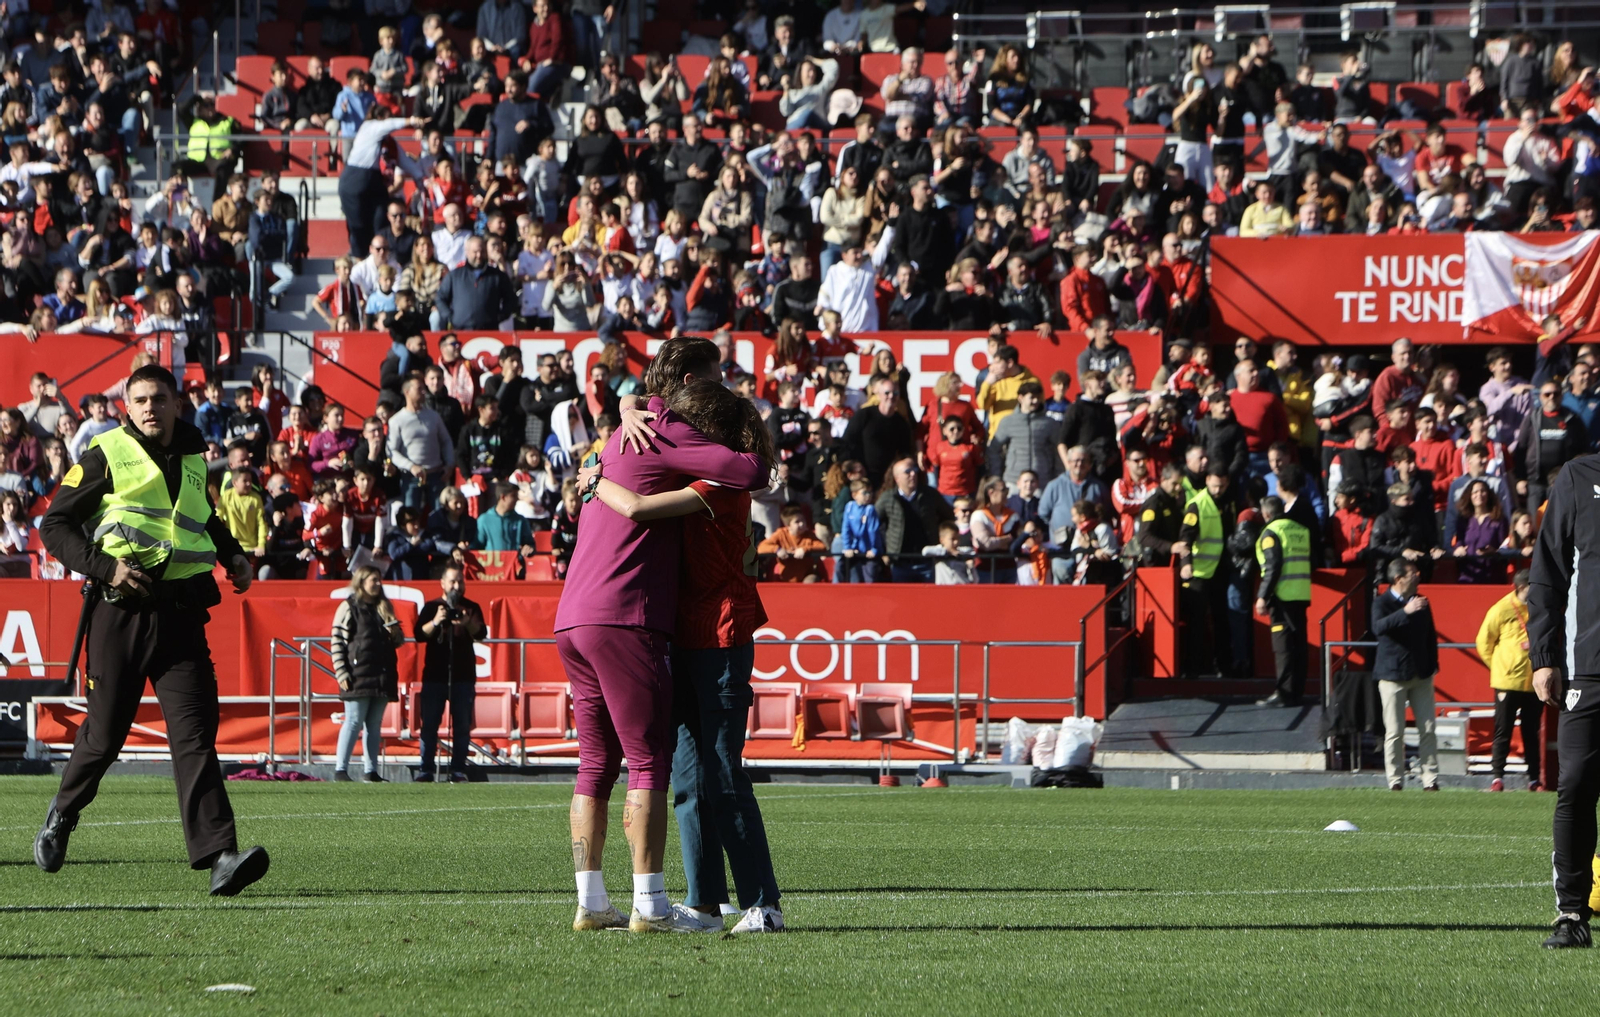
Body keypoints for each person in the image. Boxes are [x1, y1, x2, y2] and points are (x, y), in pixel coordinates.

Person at [554, 336, 769, 933]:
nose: (721, 388)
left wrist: (624, 412)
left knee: (594, 763)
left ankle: (591, 903)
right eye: (715, 377)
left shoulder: (626, 431)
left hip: (572, 613)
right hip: (626, 615)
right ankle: (650, 904)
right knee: (651, 762)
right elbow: (755, 469)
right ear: (688, 380)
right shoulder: (674, 430)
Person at [32, 364, 268, 896]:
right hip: (120, 613)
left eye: (158, 398)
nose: (148, 408)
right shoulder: (104, 454)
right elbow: (54, 525)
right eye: (138, 400)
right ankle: (62, 814)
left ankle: (220, 857)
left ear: (175, 402)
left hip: (182, 616)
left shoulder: (192, 455)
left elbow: (200, 516)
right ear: (126, 407)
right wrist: (105, 567)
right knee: (104, 736)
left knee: (195, 737)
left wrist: (232, 555)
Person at [1528, 447, 1600, 946]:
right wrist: (1544, 657)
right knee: (1574, 784)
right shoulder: (1578, 475)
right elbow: (1548, 572)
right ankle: (1572, 916)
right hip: (1589, 670)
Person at [330, 565, 405, 782]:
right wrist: (342, 672)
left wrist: (394, 631)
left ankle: (371, 770)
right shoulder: (349, 606)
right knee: (353, 720)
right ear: (362, 581)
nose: (378, 584)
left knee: (374, 724)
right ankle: (340, 769)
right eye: (374, 580)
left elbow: (397, 642)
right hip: (357, 674)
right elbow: (337, 640)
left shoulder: (384, 607)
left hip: (382, 675)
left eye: (379, 580)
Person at [414, 563, 486, 783]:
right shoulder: (431, 606)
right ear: (442, 583)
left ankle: (458, 770)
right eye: (453, 581)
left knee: (462, 726)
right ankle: (425, 769)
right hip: (435, 676)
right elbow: (419, 634)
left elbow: (481, 633)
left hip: (463, 677)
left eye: (460, 581)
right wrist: (436, 620)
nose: (457, 585)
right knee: (429, 725)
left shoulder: (471, 608)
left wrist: (466, 623)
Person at [1372, 558, 1440, 792]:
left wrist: (1433, 663)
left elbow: (1430, 635)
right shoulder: (1381, 602)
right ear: (1398, 578)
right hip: (1392, 676)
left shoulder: (1423, 602)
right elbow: (1378, 627)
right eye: (1412, 572)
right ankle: (1395, 780)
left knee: (1428, 728)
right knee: (1394, 731)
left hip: (1421, 675)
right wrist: (1405, 612)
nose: (1418, 575)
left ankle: (1430, 778)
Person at [1477, 569, 1540, 794]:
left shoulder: (1538, 606)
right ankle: (1497, 778)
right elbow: (1483, 642)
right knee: (1502, 730)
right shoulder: (1501, 608)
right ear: (1522, 587)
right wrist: (1499, 667)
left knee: (1531, 731)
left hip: (1533, 680)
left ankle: (1534, 779)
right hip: (1507, 681)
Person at [1253, 495, 1312, 707]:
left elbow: (1273, 566)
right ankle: (1297, 691)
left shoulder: (1270, 533)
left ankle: (1284, 694)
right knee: (1299, 645)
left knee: (1283, 647)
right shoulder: (1300, 530)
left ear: (1266, 514)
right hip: (1301, 593)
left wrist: (1262, 595)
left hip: (1282, 596)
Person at [876, 458, 954, 584]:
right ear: (897, 478)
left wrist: (943, 540)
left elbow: (948, 517)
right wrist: (884, 551)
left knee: (928, 600)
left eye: (915, 470)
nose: (913, 474)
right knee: (901, 601)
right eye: (908, 472)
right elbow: (874, 525)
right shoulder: (888, 498)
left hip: (927, 561)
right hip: (900, 562)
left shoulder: (930, 494)